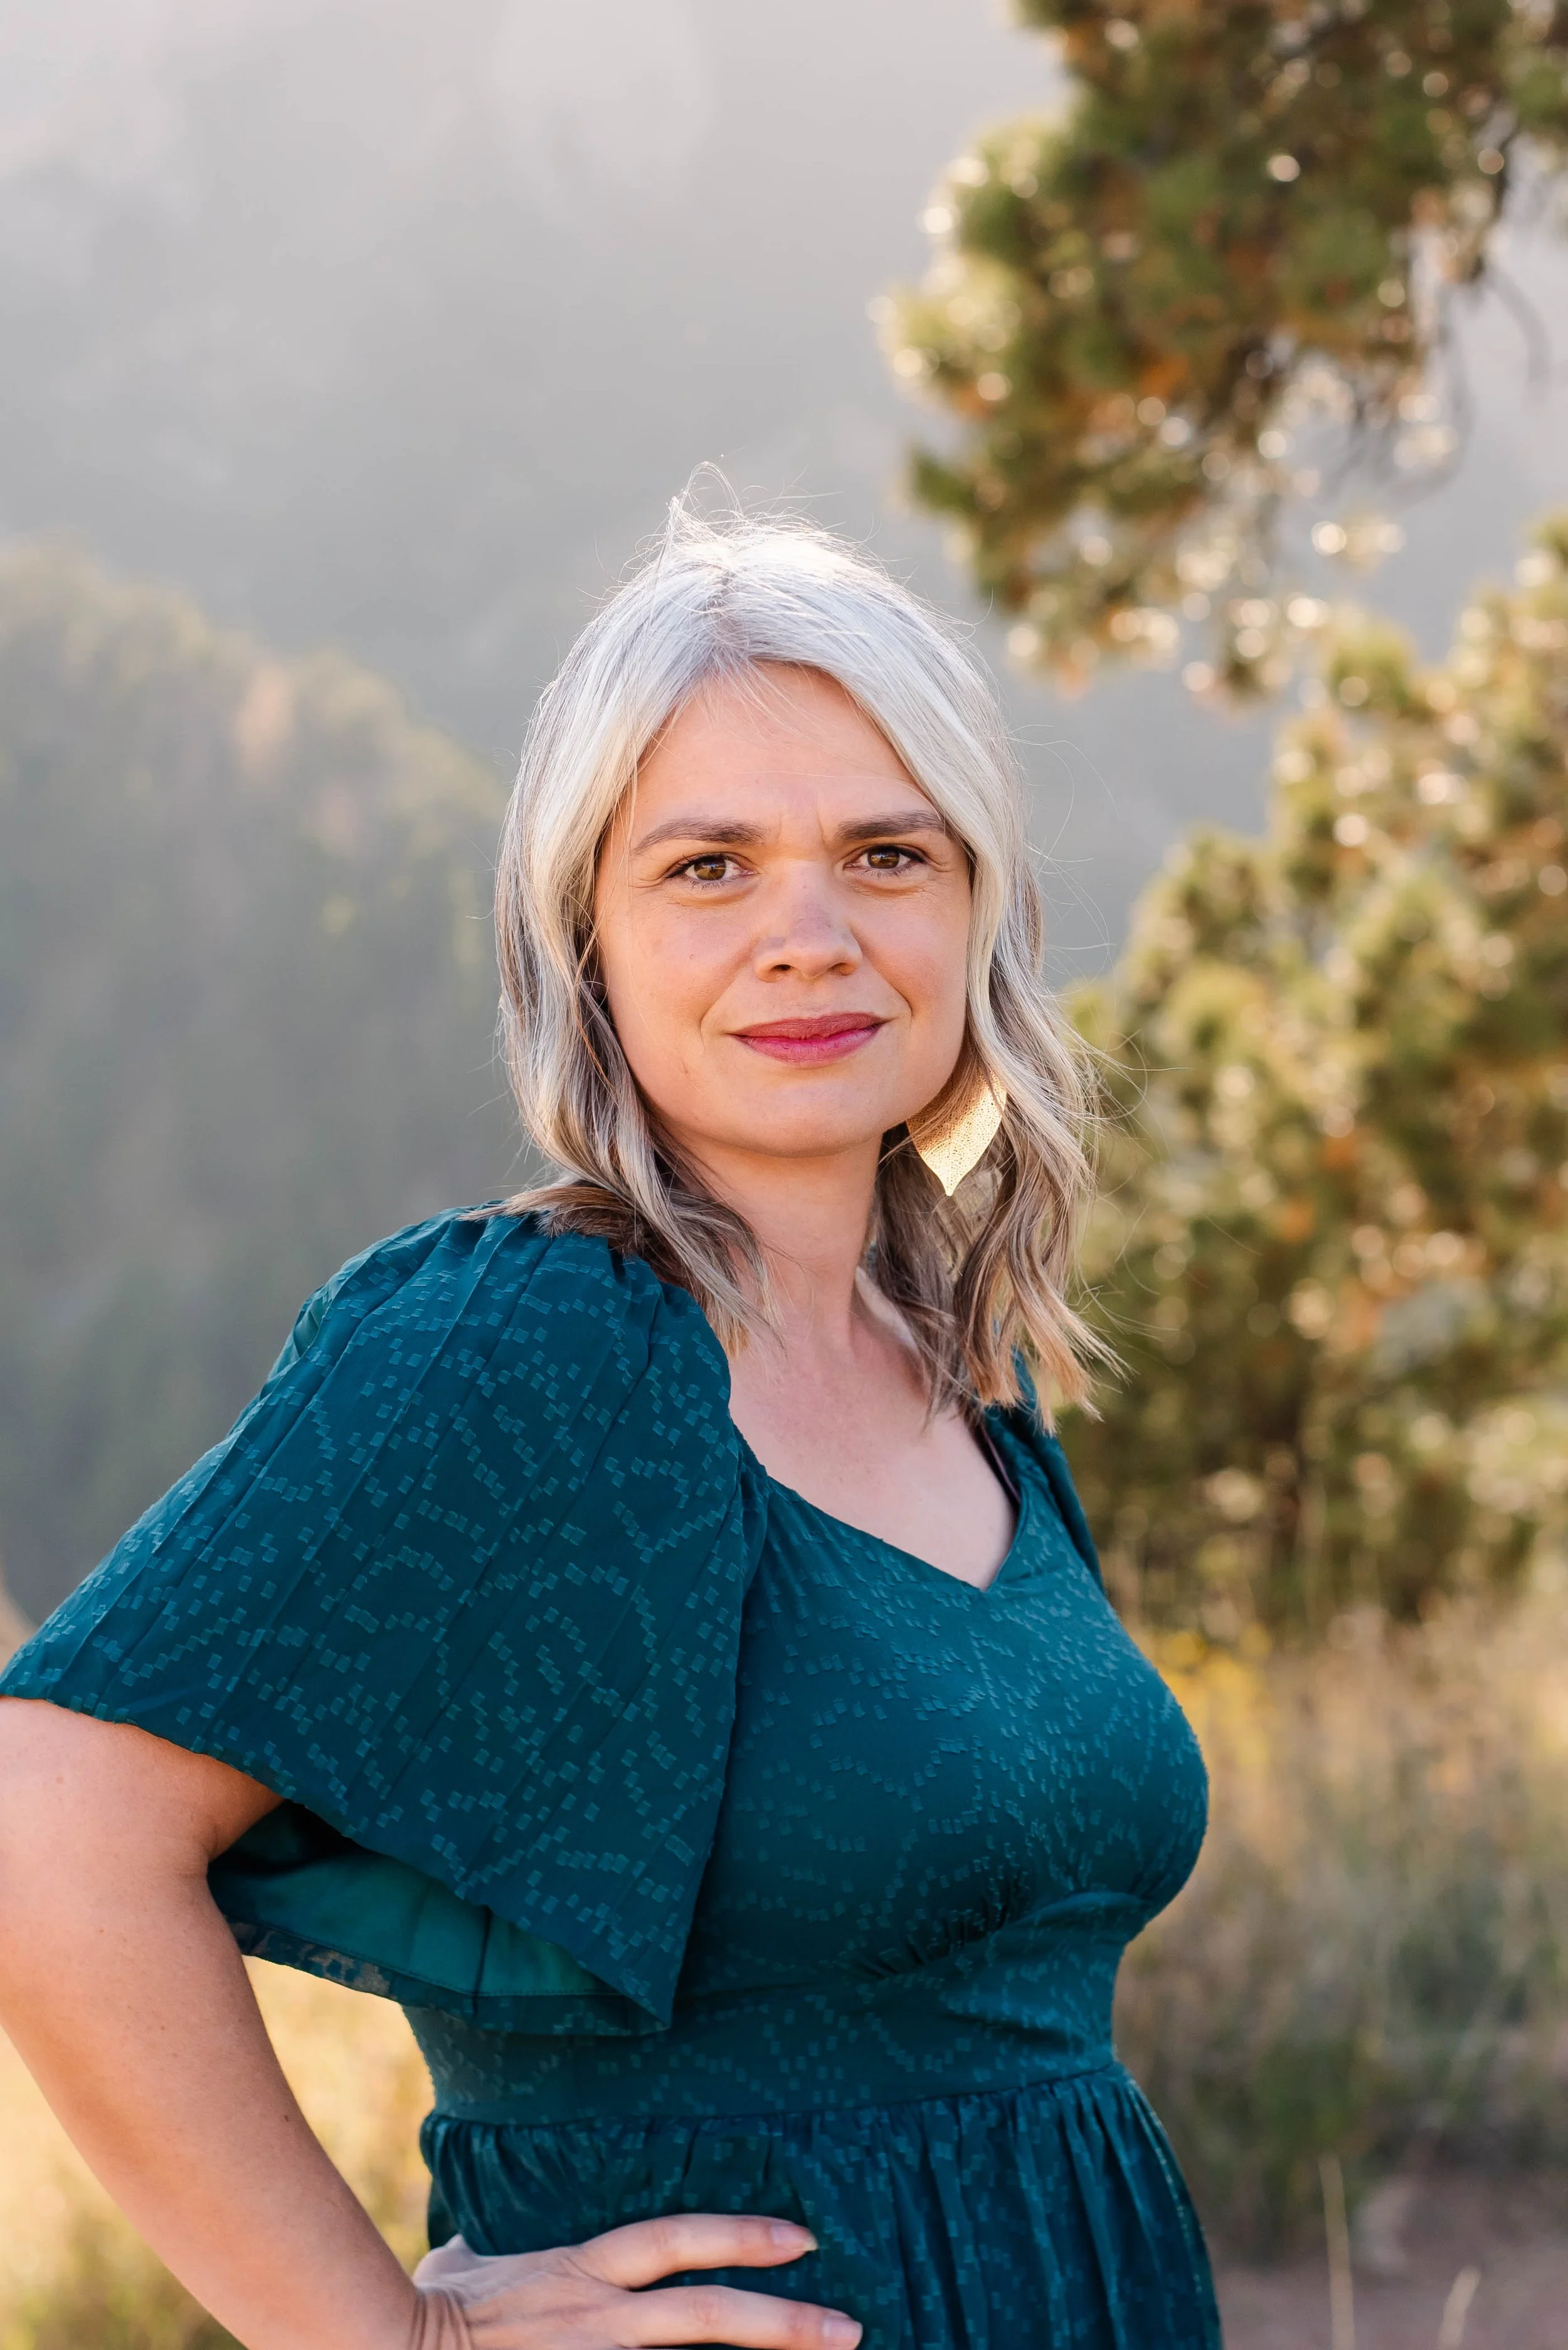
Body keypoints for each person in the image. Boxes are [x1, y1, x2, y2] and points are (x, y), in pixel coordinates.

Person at [0, 502, 1218, 2350]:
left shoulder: (959, 1354)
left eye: (884, 854)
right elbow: (53, 1826)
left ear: (975, 906)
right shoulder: (528, 1343)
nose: (808, 936)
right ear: (583, 938)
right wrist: (382, 2336)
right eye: (705, 868)